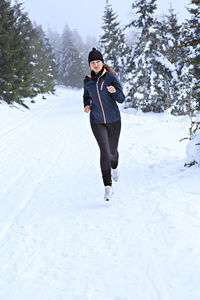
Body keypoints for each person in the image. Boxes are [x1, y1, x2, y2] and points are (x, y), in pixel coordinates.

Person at [83, 48, 125, 201]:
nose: (95, 64)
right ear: (90, 64)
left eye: (98, 61)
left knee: (113, 152)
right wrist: (86, 105)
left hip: (114, 120)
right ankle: (107, 186)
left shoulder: (111, 77)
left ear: (102, 63)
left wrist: (114, 91)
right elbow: (86, 96)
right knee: (104, 152)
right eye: (93, 62)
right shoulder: (87, 80)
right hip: (96, 121)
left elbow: (121, 99)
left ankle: (114, 166)